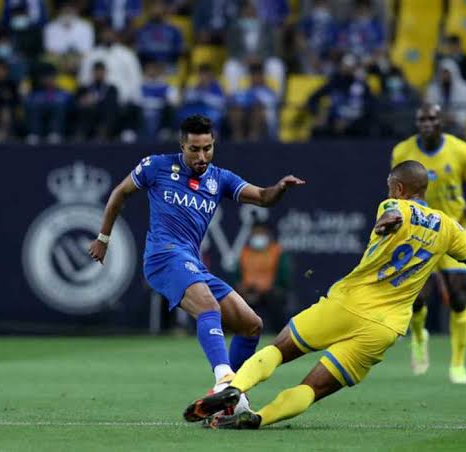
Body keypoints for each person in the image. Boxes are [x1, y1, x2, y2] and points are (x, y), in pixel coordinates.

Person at [183, 160, 466, 429]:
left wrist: (388, 222)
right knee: (314, 388)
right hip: (385, 327)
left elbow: (391, 216)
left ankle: (235, 387)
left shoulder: (394, 206)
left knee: (280, 349)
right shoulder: (451, 228)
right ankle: (260, 418)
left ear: (398, 187)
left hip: (348, 303)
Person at [88, 115, 305, 406]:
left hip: (192, 264)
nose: (202, 156)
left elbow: (264, 197)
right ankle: (224, 380)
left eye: (207, 148)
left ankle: (230, 397)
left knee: (250, 324)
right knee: (209, 306)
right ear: (182, 146)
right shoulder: (156, 166)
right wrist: (103, 239)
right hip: (163, 256)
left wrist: (279, 188)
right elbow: (120, 193)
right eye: (194, 149)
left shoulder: (220, 179)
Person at [390, 104, 466, 384]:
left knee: (457, 295)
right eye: (422, 119)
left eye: (432, 118)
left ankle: (458, 364)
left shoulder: (461, 150)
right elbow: (396, 189)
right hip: (419, 231)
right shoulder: (402, 151)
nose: (427, 123)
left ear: (442, 121)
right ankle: (419, 335)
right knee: (418, 297)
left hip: (454, 229)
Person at [235, 222, 292, 333]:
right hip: (248, 292)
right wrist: (242, 288)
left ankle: (280, 334)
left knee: (276, 303)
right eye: (256, 233)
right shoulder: (244, 252)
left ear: (267, 234)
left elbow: (284, 277)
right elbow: (236, 275)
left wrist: (274, 288)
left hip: (269, 293)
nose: (258, 236)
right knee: (235, 303)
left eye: (261, 233)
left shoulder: (276, 251)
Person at [425, 59, 466, 137]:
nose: (445, 76)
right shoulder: (432, 89)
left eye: (447, 73)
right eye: (443, 73)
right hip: (439, 123)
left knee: (457, 130)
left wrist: (456, 118)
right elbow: (430, 108)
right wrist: (441, 117)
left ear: (454, 73)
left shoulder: (465, 88)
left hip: (458, 124)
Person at [74, 60, 119, 141]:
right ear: (93, 72)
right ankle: (81, 134)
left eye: (101, 71)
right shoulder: (84, 88)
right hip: (89, 113)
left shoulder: (112, 89)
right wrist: (83, 101)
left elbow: (113, 102)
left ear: (105, 72)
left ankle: (103, 133)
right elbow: (77, 101)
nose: (99, 73)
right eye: (97, 71)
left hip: (104, 114)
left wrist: (95, 100)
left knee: (110, 110)